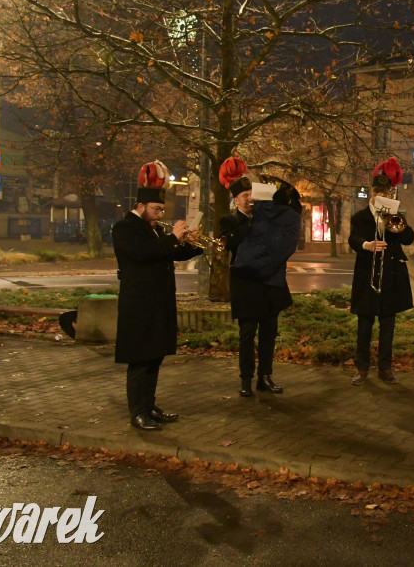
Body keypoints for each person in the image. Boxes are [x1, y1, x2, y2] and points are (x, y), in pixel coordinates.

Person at [112, 160, 203, 431]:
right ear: (141, 206)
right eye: (156, 209)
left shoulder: (156, 230)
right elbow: (143, 254)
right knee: (140, 360)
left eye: (162, 209)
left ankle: (150, 406)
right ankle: (137, 412)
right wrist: (173, 237)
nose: (160, 213)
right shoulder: (125, 229)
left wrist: (193, 244)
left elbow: (170, 253)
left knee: (155, 356)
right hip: (138, 305)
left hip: (158, 303)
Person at [219, 159, 301, 397]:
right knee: (247, 335)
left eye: (250, 193)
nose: (248, 198)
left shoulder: (268, 217)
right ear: (236, 200)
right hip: (246, 284)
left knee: (268, 332)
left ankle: (265, 376)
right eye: (244, 195)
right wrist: (252, 221)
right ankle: (246, 379)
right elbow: (232, 242)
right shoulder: (231, 220)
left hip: (270, 283)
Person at [348, 157, 414, 386]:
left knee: (388, 327)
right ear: (372, 195)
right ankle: (362, 369)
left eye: (386, 194)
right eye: (379, 194)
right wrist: (366, 245)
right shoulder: (360, 217)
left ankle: (385, 368)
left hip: (391, 280)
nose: (383, 197)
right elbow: (353, 238)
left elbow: (409, 239)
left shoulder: (394, 217)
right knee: (364, 327)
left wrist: (395, 222)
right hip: (367, 278)